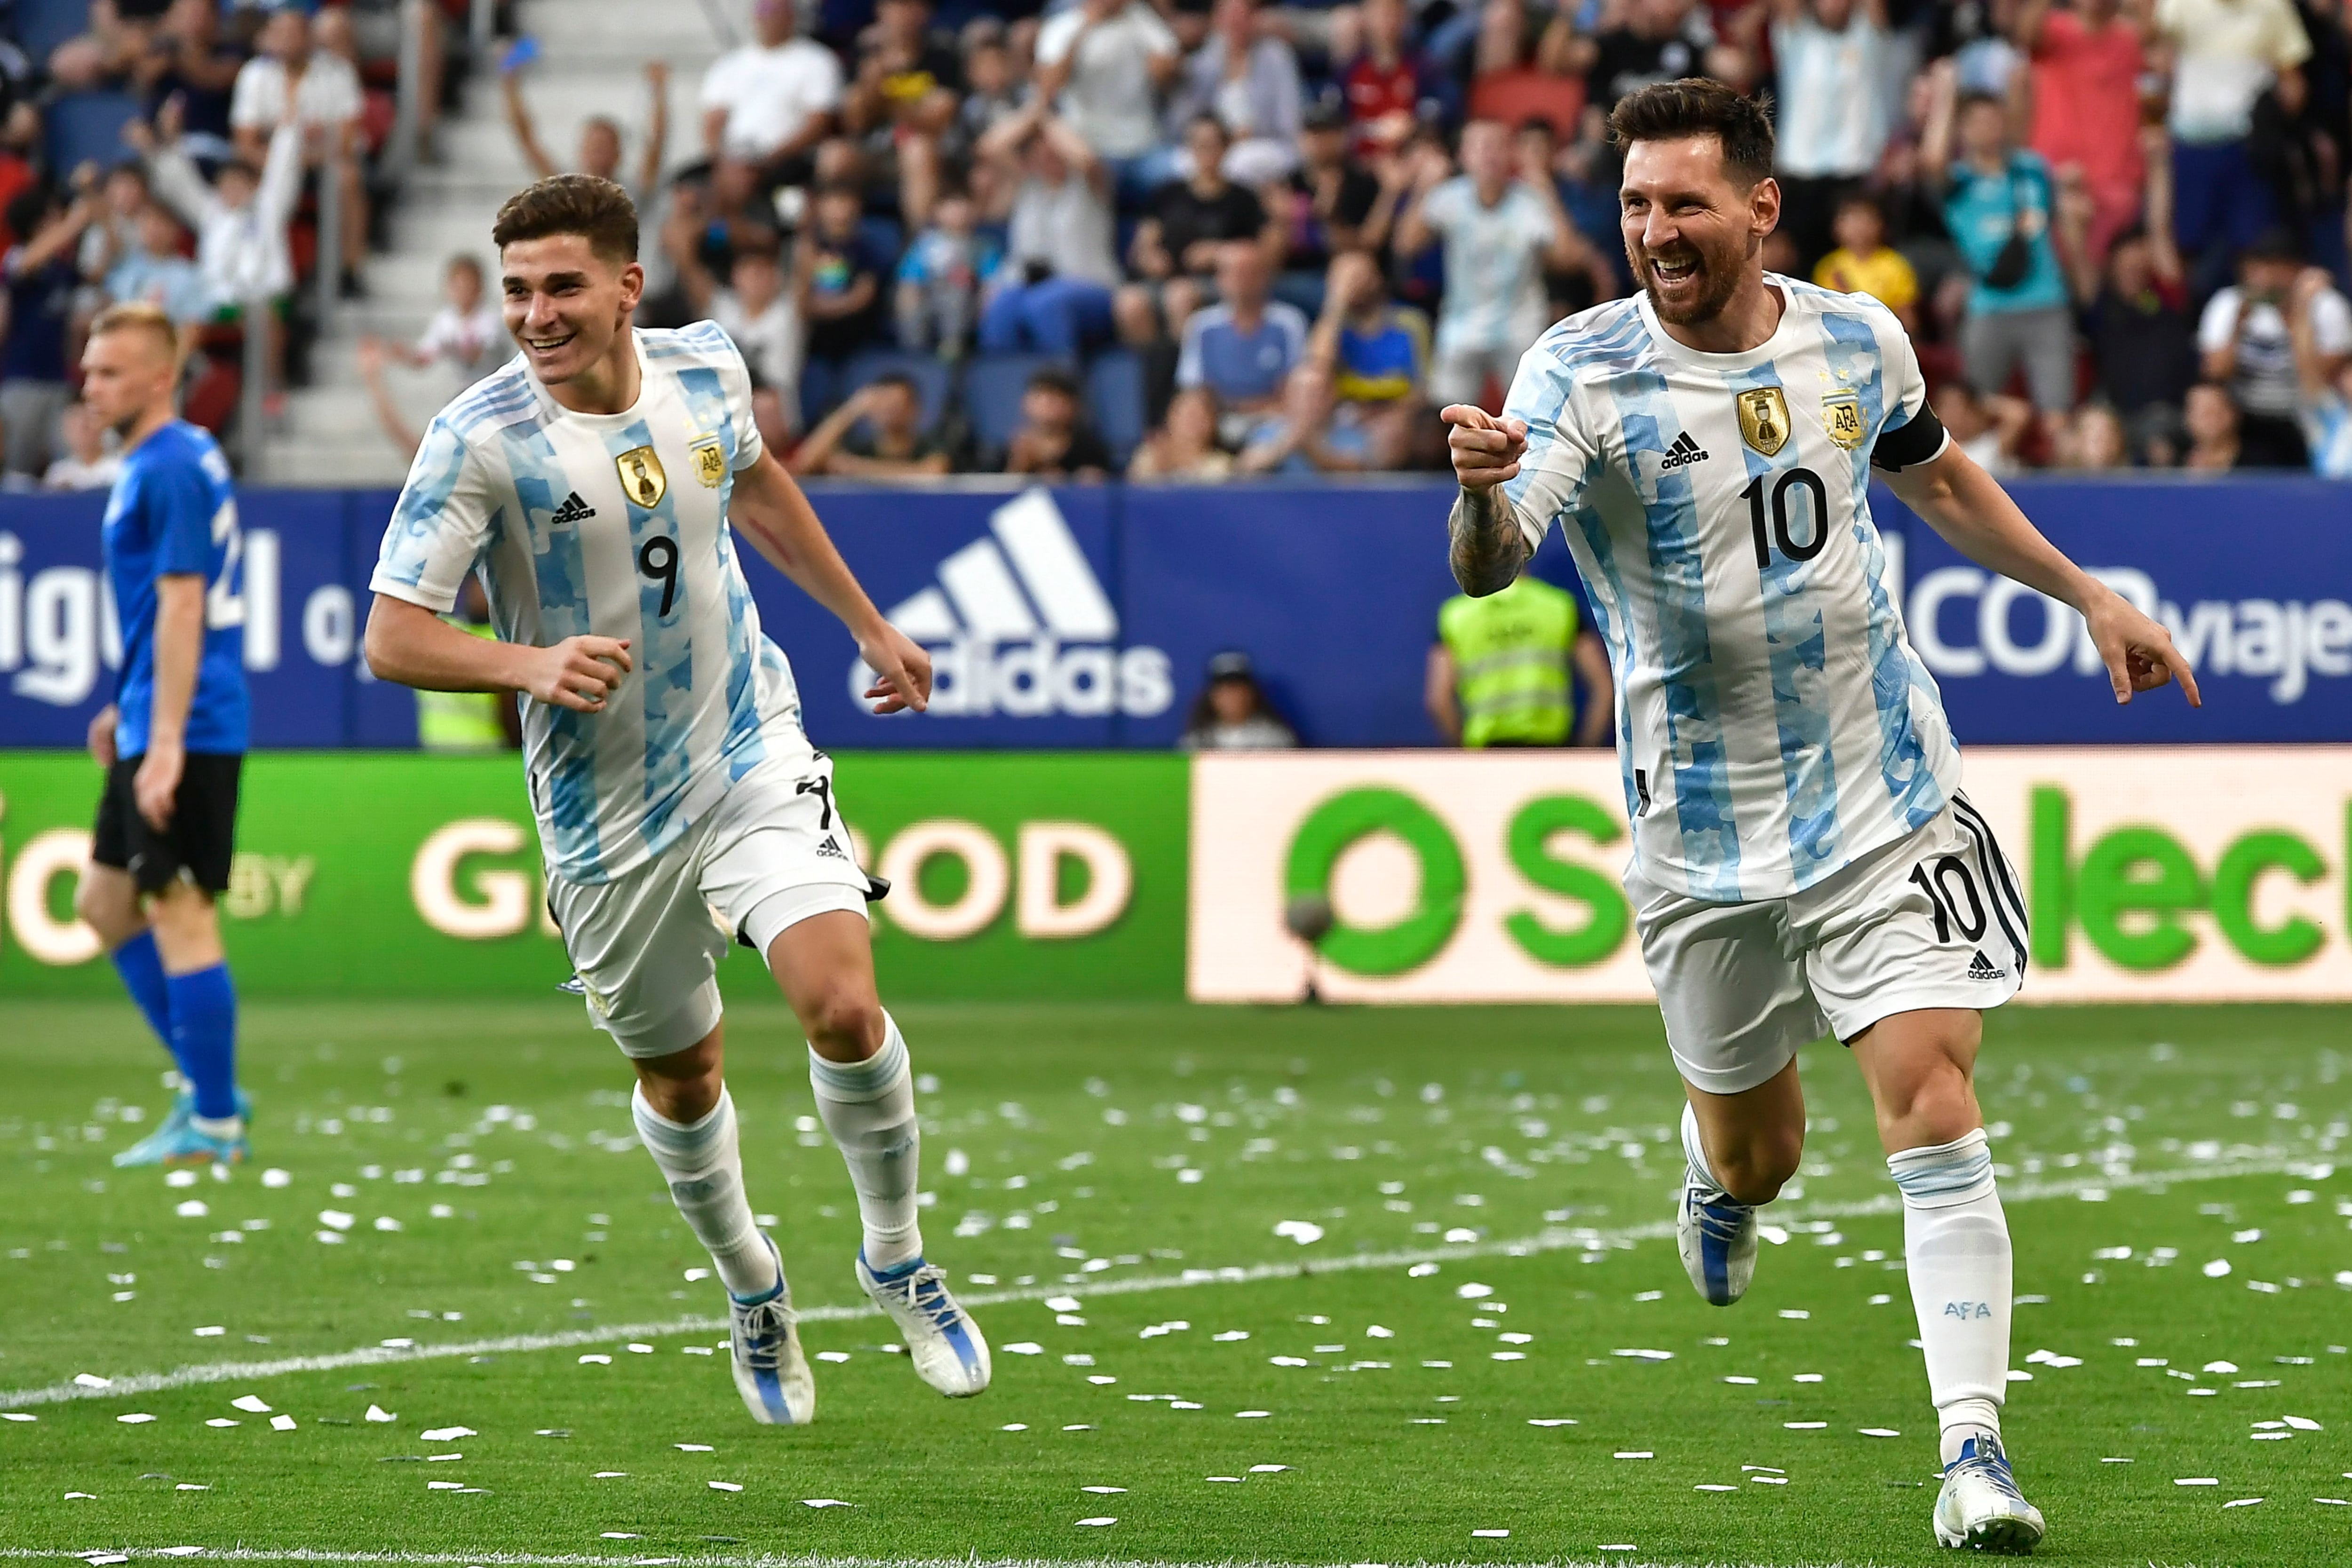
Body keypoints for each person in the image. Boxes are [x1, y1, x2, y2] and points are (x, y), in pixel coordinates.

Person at [1440, 79, 2197, 1555]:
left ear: (1758, 206)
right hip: (1702, 831)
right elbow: (1494, 555)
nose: (1655, 230)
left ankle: (1970, 1449)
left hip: (1882, 795)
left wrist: (2088, 591)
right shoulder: (1576, 372)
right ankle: (1716, 1189)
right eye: (1636, 204)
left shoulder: (1857, 335)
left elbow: (1931, 475)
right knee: (1759, 1154)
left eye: (1683, 203)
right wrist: (1474, 495)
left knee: (1928, 1093)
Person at [362, 175, 989, 1428]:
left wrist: (867, 623)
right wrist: (525, 662)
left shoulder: (708, 365)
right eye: (518, 292)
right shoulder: (479, 439)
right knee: (686, 1070)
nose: (536, 315)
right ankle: (753, 1281)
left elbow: (755, 485)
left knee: (844, 1003)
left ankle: (897, 1254)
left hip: (746, 744)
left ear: (627, 288)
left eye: (562, 287)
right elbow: (391, 635)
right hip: (603, 814)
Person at [70, 302, 252, 1168]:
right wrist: (125, 703)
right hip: (154, 707)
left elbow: (186, 601)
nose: (89, 384)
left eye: (109, 371)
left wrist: (167, 737)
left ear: (158, 377)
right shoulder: (162, 459)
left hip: (189, 719)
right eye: (88, 368)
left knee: (179, 906)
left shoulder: (170, 463)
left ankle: (214, 1117)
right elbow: (158, 609)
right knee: (103, 904)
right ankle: (207, 1084)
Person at [1398, 118, 1585, 410]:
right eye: (1480, 147)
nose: (1489, 155)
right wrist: (1425, 187)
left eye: (1498, 147)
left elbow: (1570, 260)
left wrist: (1545, 188)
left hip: (1520, 323)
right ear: (1463, 157)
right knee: (1444, 416)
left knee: (1534, 414)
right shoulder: (1450, 197)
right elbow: (1406, 246)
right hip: (1462, 322)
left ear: (1511, 155)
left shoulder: (1529, 201)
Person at [1921, 69, 2075, 418]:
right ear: (1962, 130)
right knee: (1973, 408)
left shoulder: (2032, 170)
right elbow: (1931, 161)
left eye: (1994, 119)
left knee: (2058, 411)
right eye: (1976, 122)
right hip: (1989, 306)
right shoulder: (1960, 183)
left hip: (2047, 302)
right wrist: (1946, 96)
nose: (1987, 128)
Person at [229, 6, 366, 293]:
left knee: (348, 178)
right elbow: (245, 143)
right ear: (268, 38)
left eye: (294, 33)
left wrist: (301, 153)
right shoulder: (254, 75)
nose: (287, 40)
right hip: (267, 163)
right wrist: (285, 156)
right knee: (244, 178)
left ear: (309, 38)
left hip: (322, 161)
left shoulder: (337, 72)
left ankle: (350, 268)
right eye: (280, 33)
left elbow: (348, 137)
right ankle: (247, 266)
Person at [2196, 231, 2352, 469]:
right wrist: (2239, 324)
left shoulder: (2325, 305)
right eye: (2261, 266)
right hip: (2247, 416)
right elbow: (2214, 372)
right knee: (2209, 403)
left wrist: (2298, 315)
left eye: (2277, 267)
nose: (2268, 277)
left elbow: (2320, 382)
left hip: (2308, 417)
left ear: (2297, 269)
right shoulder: (2230, 303)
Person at [1119, 116, 1273, 344]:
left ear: (1226, 148)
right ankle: (1152, 370)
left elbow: (1259, 252)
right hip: (1165, 278)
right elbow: (1144, 243)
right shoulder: (1167, 194)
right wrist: (1150, 257)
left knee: (1180, 297)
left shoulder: (1244, 199)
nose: (1207, 152)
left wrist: (1219, 253)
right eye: (1200, 145)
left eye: (1214, 145)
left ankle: (1186, 373)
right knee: (1129, 302)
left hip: (1217, 282)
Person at [1767, 0, 1896, 272]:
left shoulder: (1866, 39)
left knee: (1855, 272)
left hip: (1854, 170)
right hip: (1801, 173)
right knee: (1796, 268)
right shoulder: (1797, 40)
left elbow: (1875, 12)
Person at [1427, 572, 1610, 747]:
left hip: (1485, 756)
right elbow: (1604, 688)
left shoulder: (1456, 615)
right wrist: (1586, 750)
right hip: (1552, 752)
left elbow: (1439, 700)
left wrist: (1464, 755)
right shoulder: (1559, 606)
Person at [1032, 0, 1182, 195]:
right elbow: (1050, 86)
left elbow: (1167, 73)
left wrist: (1143, 13)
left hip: (1143, 147)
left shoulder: (1143, 21)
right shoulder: (1062, 27)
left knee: (1179, 179)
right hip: (1088, 149)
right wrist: (1087, 27)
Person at [1, 182, 99, 479]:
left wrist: (100, 216)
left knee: (70, 463)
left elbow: (96, 274)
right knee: (17, 466)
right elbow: (25, 265)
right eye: (54, 216)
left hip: (58, 379)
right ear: (39, 222)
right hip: (22, 380)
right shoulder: (17, 256)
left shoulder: (61, 269)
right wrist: (75, 222)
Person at [1175, 241, 1311, 438]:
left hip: (1277, 419)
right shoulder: (1202, 325)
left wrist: (1264, 411)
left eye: (1250, 272)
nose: (1242, 280)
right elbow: (1195, 388)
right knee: (1187, 412)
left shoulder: (1289, 322)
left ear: (1265, 277)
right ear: (1219, 278)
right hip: (1217, 420)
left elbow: (1297, 385)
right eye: (1234, 272)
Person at [699, 0, 842, 185]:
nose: (767, 17)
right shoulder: (730, 64)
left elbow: (819, 122)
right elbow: (713, 120)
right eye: (763, 10)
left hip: (792, 161)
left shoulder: (817, 60)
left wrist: (768, 160)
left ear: (791, 16)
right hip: (734, 161)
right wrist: (718, 160)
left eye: (774, 10)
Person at [505, 52, 670, 206]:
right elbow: (527, 139)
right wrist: (510, 83)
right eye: (593, 145)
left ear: (618, 154)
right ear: (581, 150)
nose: (597, 151)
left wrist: (659, 92)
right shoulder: (563, 190)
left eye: (604, 146)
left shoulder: (631, 194)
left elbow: (656, 144)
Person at [369, 255, 506, 388]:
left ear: (480, 288)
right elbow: (424, 358)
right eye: (458, 285)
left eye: (468, 285)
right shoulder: (444, 321)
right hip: (456, 388)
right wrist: (403, 354)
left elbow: (486, 356)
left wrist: (453, 349)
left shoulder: (491, 320)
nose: (463, 291)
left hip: (487, 386)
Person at [790, 373, 953, 479]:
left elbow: (931, 474)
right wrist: (851, 410)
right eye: (883, 404)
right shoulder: (859, 448)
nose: (890, 411)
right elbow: (804, 464)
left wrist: (856, 468)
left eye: (897, 404)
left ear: (914, 409)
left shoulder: (932, 445)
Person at [1811, 192, 1916, 332]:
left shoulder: (1895, 264)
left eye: (1866, 219)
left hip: (1886, 337)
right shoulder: (1828, 267)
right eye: (1852, 219)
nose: (1859, 227)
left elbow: (1907, 317)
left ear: (1881, 224)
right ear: (1837, 226)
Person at [1000, 365, 1113, 478]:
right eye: (1039, 397)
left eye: (1055, 399)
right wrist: (1018, 465)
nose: (1046, 405)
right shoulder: (1010, 450)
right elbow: (994, 491)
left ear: (1073, 406)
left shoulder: (1089, 450)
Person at [1178, 650, 1296, 748]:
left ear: (1251, 693)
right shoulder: (1197, 741)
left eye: (1237, 689)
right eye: (1224, 691)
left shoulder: (1275, 738)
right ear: (1212, 696)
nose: (1231, 697)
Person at [1128, 383, 1235, 479]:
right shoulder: (1150, 455)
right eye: (1186, 415)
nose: (1192, 422)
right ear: (1171, 417)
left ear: (1212, 422)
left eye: (1199, 416)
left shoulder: (1220, 466)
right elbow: (1135, 493)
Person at [42, 398, 121, 490]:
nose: (80, 433)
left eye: (86, 426)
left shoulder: (117, 467)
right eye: (73, 427)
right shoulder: (59, 472)